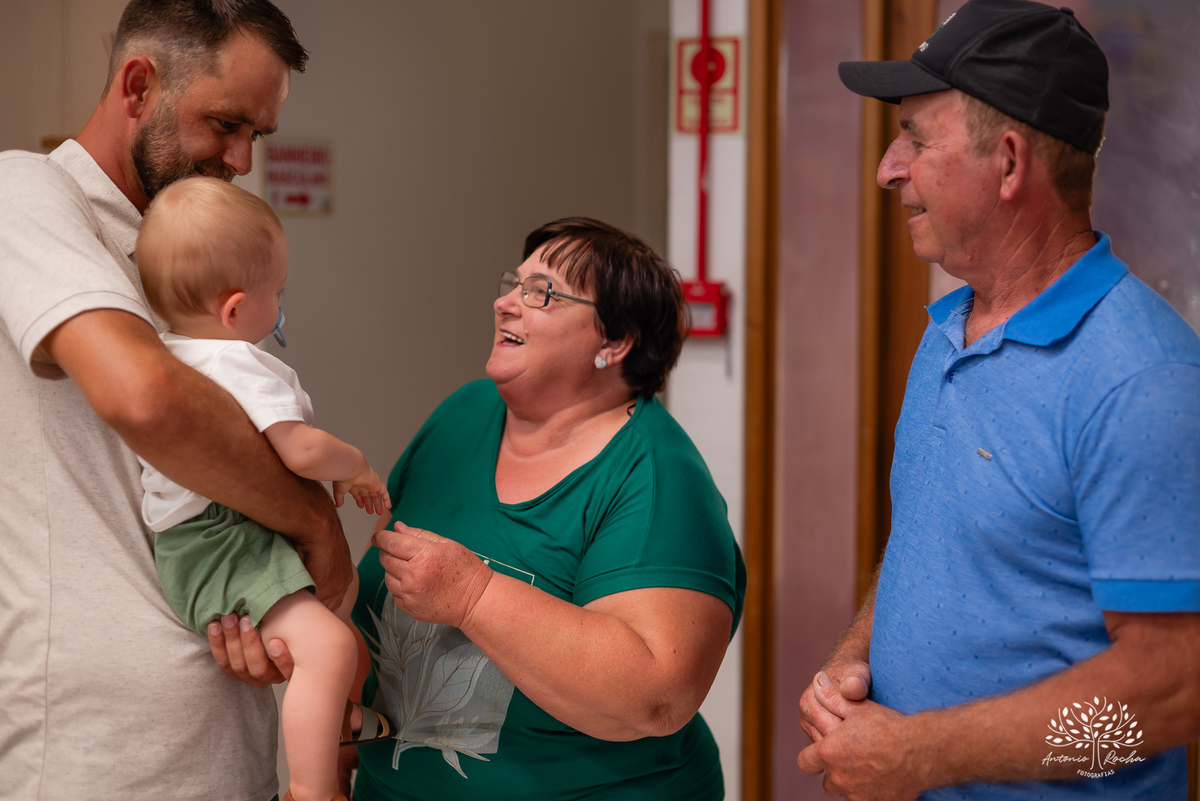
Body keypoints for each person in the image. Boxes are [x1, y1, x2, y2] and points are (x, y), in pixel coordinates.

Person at [796, 1, 1200, 799]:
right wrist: (856, 655)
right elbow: (936, 541)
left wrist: (922, 754)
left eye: (915, 138)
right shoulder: (950, 329)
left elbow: (1170, 698)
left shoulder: (1141, 378)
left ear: (1010, 162)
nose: (888, 168)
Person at [217, 217, 747, 798]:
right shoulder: (464, 413)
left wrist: (475, 595)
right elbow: (382, 597)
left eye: (542, 293)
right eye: (512, 284)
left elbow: (658, 696)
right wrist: (327, 701)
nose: (505, 303)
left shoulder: (659, 476)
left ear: (615, 343)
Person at [0, 2, 355, 800]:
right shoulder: (25, 192)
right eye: (225, 123)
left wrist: (271, 604)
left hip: (228, 747)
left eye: (257, 133)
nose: (242, 159)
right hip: (99, 764)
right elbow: (146, 398)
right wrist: (314, 521)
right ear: (138, 86)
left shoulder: (191, 241)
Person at [135, 176, 392, 801]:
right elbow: (301, 451)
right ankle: (312, 788)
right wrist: (355, 463)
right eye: (277, 292)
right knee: (330, 647)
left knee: (341, 610)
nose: (280, 303)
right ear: (233, 310)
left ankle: (340, 718)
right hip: (220, 542)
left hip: (202, 543)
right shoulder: (235, 362)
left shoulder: (168, 353)